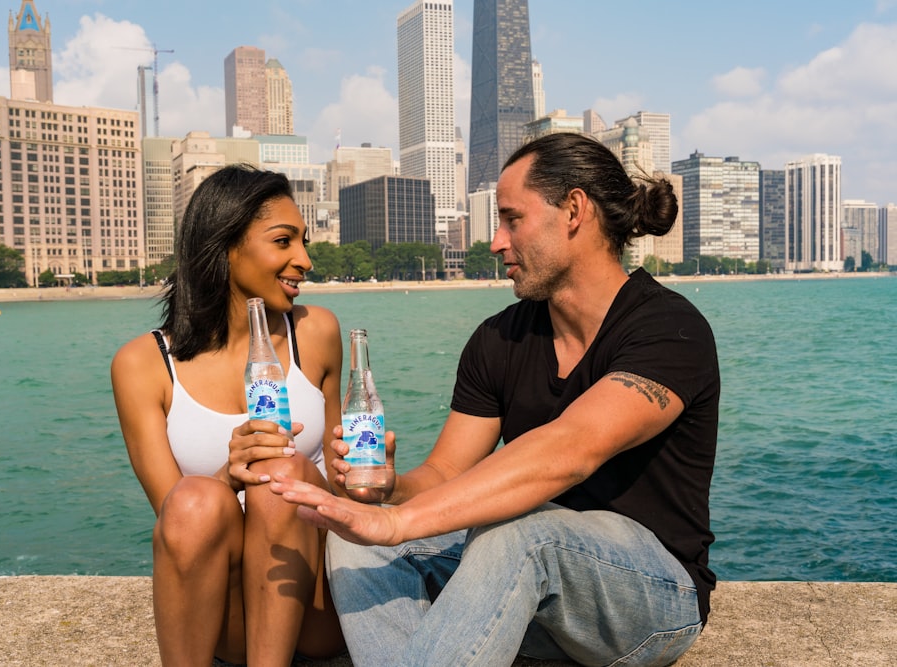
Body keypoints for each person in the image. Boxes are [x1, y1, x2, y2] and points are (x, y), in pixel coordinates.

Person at [271, 132, 720, 666]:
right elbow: (444, 474)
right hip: (533, 598)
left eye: (512, 219)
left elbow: (570, 449)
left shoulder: (668, 329)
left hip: (651, 602)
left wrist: (397, 524)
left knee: (520, 532)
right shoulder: (498, 339)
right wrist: (389, 492)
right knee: (353, 540)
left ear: (574, 210)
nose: (496, 241)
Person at [111, 164, 346, 666]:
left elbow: (341, 492)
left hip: (319, 602)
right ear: (224, 245)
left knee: (281, 473)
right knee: (196, 497)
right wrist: (228, 474)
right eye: (284, 241)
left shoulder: (318, 332)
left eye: (303, 241)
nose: (304, 260)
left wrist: (366, 474)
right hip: (229, 617)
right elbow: (176, 522)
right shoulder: (141, 366)